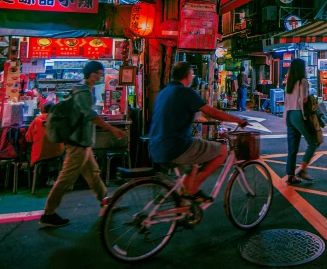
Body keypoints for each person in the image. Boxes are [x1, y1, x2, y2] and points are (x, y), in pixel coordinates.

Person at [39, 61, 126, 228]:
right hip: (77, 142)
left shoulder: (81, 89)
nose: (101, 76)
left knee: (93, 174)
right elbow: (89, 115)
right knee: (65, 179)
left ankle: (105, 201)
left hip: (82, 142)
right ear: (92, 74)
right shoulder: (84, 91)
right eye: (99, 73)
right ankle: (48, 213)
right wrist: (112, 129)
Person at [149, 62, 248, 203]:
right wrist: (237, 120)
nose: (192, 77)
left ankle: (185, 207)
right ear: (188, 76)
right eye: (191, 74)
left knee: (192, 165)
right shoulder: (185, 92)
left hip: (156, 146)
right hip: (176, 147)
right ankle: (193, 189)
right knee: (222, 150)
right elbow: (211, 112)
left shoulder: (163, 92)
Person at [284, 59, 320, 186]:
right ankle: (303, 170)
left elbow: (287, 102)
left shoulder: (289, 83)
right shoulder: (303, 81)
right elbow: (304, 99)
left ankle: (291, 176)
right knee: (313, 141)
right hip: (298, 114)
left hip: (289, 115)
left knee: (292, 148)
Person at [26, 103, 65, 186]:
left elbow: (28, 138)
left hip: (39, 154)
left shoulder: (36, 120)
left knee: (29, 152)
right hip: (56, 153)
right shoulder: (58, 120)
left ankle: (37, 177)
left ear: (42, 110)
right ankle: (54, 175)